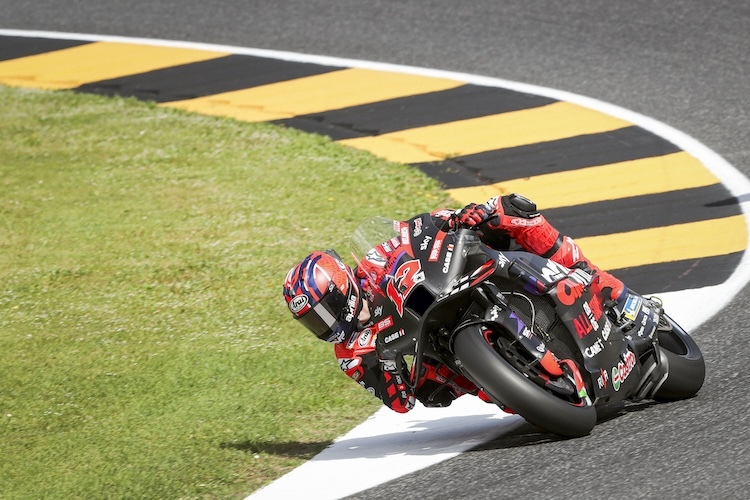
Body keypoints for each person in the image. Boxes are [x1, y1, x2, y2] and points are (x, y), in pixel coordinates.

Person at [282, 194, 626, 413]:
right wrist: (386, 364)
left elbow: (414, 231)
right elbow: (400, 403)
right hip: (439, 351)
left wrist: (455, 218)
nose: (325, 324)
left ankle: (587, 275)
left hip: (447, 286)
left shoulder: (372, 262)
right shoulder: (349, 353)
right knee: (436, 390)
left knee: (507, 212)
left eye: (325, 311)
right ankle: (524, 384)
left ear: (342, 287)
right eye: (314, 321)